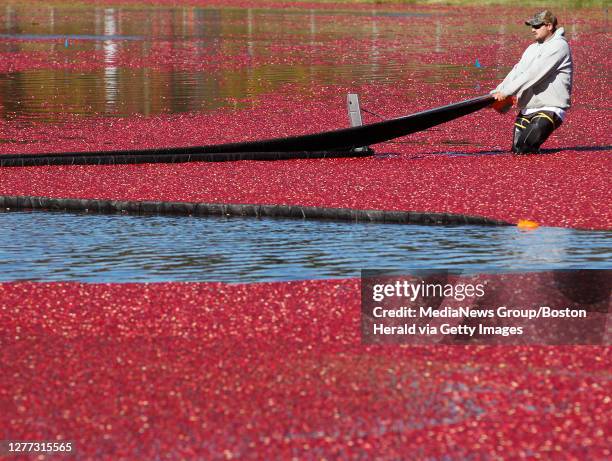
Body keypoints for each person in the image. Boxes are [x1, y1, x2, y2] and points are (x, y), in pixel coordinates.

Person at [492, 11, 573, 154]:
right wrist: (497, 93)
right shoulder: (532, 48)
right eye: (531, 26)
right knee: (516, 151)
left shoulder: (559, 47)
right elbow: (517, 71)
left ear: (549, 26)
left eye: (536, 26)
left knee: (525, 148)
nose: (532, 30)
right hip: (527, 109)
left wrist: (506, 92)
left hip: (550, 109)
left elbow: (533, 74)